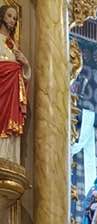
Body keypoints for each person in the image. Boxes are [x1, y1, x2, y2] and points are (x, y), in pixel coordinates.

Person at [0, 4, 30, 164]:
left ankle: (9, 158)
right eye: (9, 16)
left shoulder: (13, 46)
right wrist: (9, 68)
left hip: (11, 95)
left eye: (15, 18)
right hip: (1, 92)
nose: (12, 20)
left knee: (10, 131)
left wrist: (25, 65)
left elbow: (23, 77)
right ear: (2, 16)